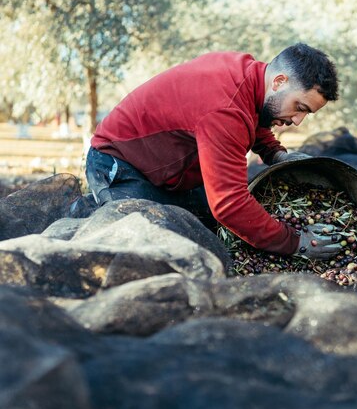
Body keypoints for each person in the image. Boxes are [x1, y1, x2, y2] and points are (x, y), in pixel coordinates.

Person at [85, 43, 342, 259]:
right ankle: (89, 207)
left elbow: (254, 114)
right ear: (279, 81)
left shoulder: (248, 75)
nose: (298, 121)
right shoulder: (225, 108)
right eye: (300, 107)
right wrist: (296, 242)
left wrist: (276, 154)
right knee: (150, 248)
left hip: (170, 170)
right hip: (120, 164)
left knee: (215, 228)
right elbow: (229, 204)